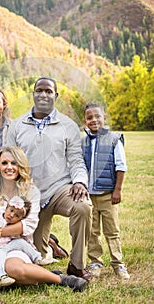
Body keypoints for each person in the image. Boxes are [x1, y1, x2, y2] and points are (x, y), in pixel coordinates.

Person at [6, 76, 93, 282]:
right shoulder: (17, 126)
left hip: (60, 189)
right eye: (39, 90)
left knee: (83, 207)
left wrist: (79, 181)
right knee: (35, 261)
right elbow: (7, 160)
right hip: (29, 195)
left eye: (48, 91)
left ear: (55, 95)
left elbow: (76, 160)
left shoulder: (68, 125)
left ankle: (77, 265)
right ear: (33, 93)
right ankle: (50, 245)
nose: (43, 94)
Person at [0, 145, 87, 291]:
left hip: (16, 244)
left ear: (20, 165)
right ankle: (33, 274)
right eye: (4, 163)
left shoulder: (30, 191)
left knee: (13, 268)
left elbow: (28, 225)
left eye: (14, 163)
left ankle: (60, 279)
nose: (9, 167)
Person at [81, 102, 130, 279]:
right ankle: (95, 262)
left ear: (104, 118)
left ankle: (118, 264)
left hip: (108, 195)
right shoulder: (83, 142)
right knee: (92, 231)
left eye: (97, 116)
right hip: (89, 196)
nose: (94, 120)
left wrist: (117, 190)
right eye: (89, 117)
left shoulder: (114, 139)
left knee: (112, 230)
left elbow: (121, 166)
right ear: (85, 120)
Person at [0, 195, 42, 287]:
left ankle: (37, 258)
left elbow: (23, 236)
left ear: (20, 219)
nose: (12, 215)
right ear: (7, 207)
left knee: (20, 242)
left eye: (17, 215)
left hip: (7, 246)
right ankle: (1, 276)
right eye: (11, 211)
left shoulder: (14, 224)